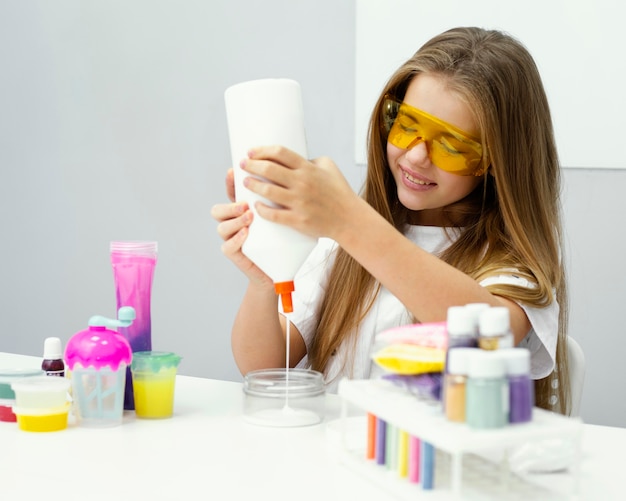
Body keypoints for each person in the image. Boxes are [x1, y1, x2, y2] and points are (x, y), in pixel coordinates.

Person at [211, 27, 570, 414]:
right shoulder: (338, 249)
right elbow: (263, 367)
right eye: (407, 125)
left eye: (450, 145)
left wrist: (347, 219)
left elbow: (487, 338)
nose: (416, 156)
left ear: (500, 162)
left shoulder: (511, 270)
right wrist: (263, 283)